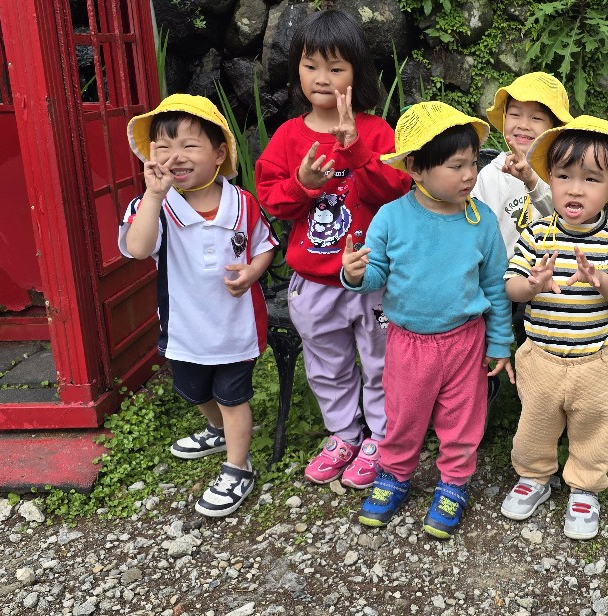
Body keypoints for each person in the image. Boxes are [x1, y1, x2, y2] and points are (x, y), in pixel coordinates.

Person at [340, 102, 515, 539]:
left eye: (472, 163)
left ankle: (453, 484)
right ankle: (395, 474)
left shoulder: (481, 221)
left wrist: (499, 342)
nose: (470, 175)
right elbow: (376, 276)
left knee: (463, 420)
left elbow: (494, 287)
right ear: (416, 168)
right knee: (403, 415)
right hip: (408, 342)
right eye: (456, 166)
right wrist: (355, 275)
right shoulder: (391, 217)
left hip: (465, 341)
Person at [254, 9, 411, 489]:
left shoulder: (378, 132)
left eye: (335, 67)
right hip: (314, 281)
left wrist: (358, 151)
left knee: (382, 362)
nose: (322, 78)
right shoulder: (288, 136)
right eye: (311, 66)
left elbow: (399, 191)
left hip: (374, 279)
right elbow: (271, 199)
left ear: (356, 73)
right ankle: (344, 433)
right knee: (326, 365)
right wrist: (302, 184)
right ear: (297, 71)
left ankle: (381, 438)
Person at [119, 94, 279, 518]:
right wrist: (154, 196)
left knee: (232, 397)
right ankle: (216, 429)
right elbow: (138, 248)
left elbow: (265, 245)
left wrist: (253, 271)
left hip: (235, 327)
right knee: (193, 390)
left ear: (219, 153)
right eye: (163, 147)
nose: (176, 156)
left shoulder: (242, 203)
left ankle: (238, 467)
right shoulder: (151, 207)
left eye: (189, 145)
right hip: (184, 329)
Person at [499, 115, 608, 540]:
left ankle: (584, 486)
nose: (575, 189)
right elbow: (511, 287)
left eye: (591, 179)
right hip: (541, 355)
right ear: (550, 179)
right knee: (535, 422)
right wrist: (532, 285)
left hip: (596, 359)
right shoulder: (536, 234)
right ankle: (534, 476)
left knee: (594, 427)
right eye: (564, 176)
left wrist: (601, 280)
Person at [473, 72, 573, 254]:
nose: (523, 125)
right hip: (500, 269)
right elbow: (472, 225)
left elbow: (568, 221)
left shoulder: (565, 175)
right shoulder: (491, 175)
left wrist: (532, 180)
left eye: (536, 118)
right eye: (515, 114)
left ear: (555, 128)